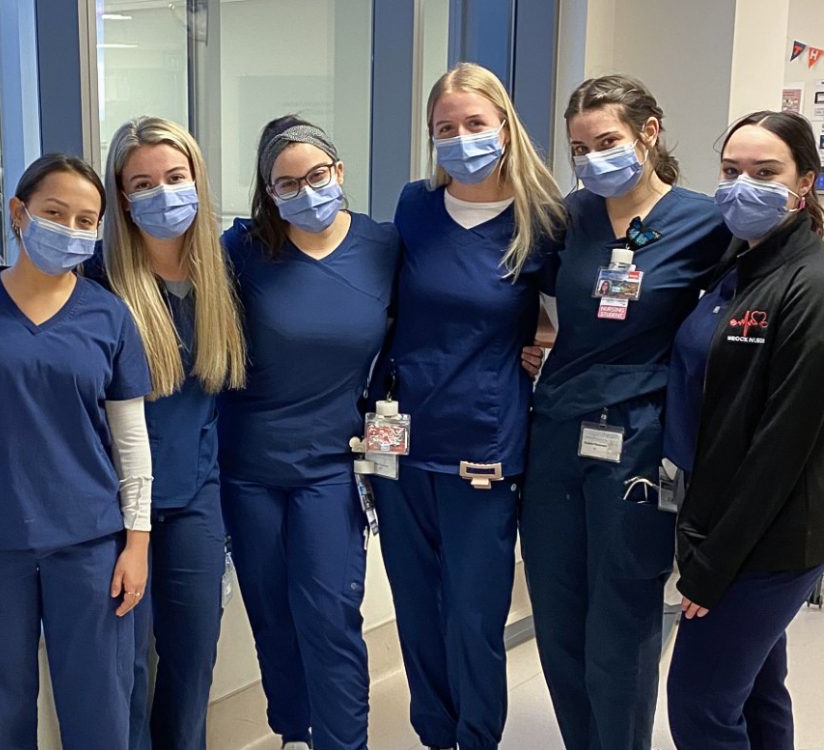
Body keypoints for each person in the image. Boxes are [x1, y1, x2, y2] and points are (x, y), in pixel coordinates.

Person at [520, 75, 729, 750]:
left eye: (606, 141)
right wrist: (538, 336)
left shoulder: (705, 222)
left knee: (622, 616)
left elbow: (742, 313)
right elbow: (533, 291)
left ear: (649, 132)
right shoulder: (570, 216)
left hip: (637, 440)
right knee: (557, 615)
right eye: (579, 147)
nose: (591, 159)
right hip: (555, 433)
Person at [374, 62, 564, 750]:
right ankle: (434, 734)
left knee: (473, 614)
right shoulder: (414, 207)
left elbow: (572, 319)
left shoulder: (541, 220)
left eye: (474, 125)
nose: (460, 140)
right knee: (415, 609)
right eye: (444, 129)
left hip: (482, 440)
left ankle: (477, 737)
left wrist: (547, 342)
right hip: (395, 437)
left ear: (506, 127)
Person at [0, 154, 153, 750]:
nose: (70, 229)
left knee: (99, 713)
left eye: (86, 220)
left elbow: (131, 444)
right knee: (1, 712)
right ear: (19, 213)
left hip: (90, 543)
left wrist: (136, 544)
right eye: (54, 213)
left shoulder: (108, 316)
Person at [219, 116, 399, 750]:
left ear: (339, 172)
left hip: (333, 466)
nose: (306, 191)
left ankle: (343, 742)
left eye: (316, 176)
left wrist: (536, 337)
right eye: (287, 183)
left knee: (329, 617)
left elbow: (441, 316)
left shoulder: (382, 246)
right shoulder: (240, 252)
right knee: (272, 618)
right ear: (268, 191)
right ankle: (295, 732)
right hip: (248, 467)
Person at [664, 110, 824, 750]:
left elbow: (781, 449)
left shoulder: (809, 283)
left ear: (805, 181)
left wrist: (711, 568)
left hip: (767, 540)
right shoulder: (739, 263)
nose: (741, 187)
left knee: (700, 707)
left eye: (765, 173)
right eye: (730, 172)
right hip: (722, 517)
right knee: (758, 692)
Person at [91, 116, 247, 750]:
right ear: (121, 197)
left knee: (191, 666)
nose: (162, 194)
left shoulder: (221, 276)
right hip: (114, 510)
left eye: (175, 177)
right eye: (143, 182)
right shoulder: (99, 285)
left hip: (194, 500)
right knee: (124, 673)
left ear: (198, 181)